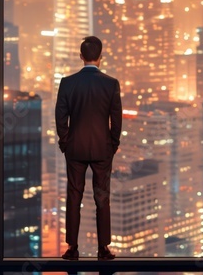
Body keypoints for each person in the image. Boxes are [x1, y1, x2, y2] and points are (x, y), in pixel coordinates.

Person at [55, 36, 121, 261]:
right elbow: (116, 119)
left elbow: (60, 117)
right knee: (102, 197)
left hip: (75, 148)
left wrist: (66, 142)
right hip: (103, 148)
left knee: (74, 196)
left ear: (81, 56)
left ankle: (72, 248)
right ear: (100, 57)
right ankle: (103, 249)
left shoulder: (67, 83)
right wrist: (113, 144)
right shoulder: (111, 83)